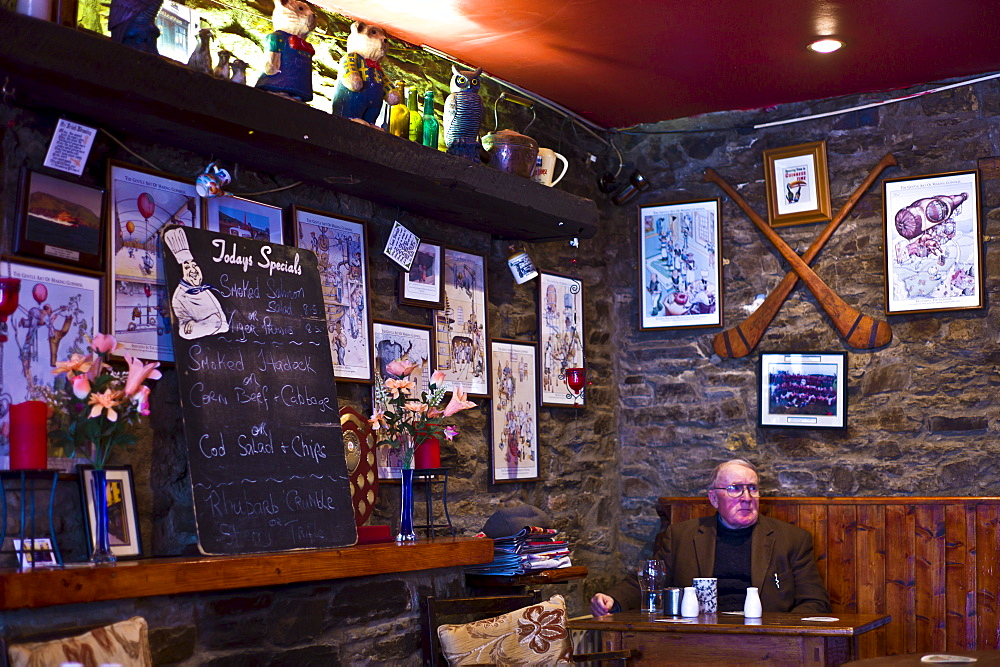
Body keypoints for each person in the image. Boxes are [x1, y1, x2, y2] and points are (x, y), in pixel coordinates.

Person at [591, 459, 830, 616]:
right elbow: (650, 581)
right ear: (714, 499)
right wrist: (612, 599)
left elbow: (815, 603)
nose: (747, 497)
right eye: (736, 488)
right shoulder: (681, 536)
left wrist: (783, 633)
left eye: (753, 488)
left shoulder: (791, 539)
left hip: (766, 638)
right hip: (698, 636)